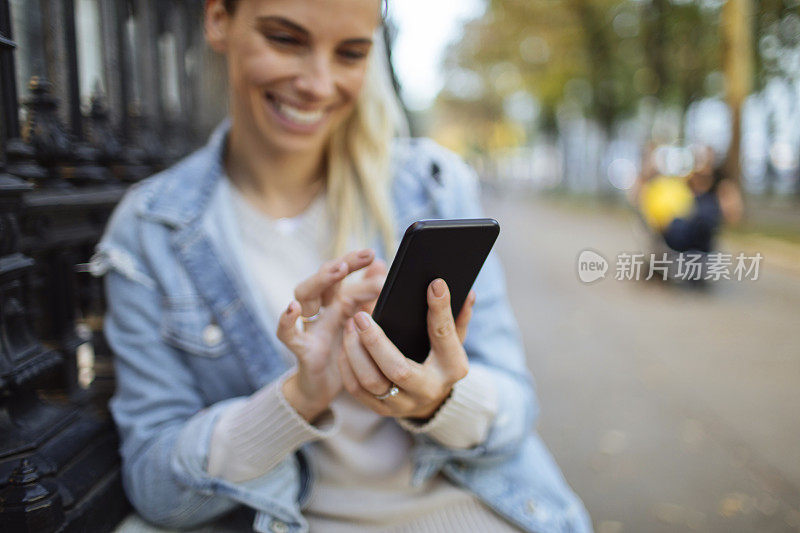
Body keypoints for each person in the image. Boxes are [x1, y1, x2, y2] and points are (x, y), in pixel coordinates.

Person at [90, 0, 592, 531]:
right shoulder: (152, 229)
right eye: (285, 39)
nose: (317, 83)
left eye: (350, 54)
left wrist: (438, 398)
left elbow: (516, 415)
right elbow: (158, 490)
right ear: (218, 20)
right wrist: (297, 398)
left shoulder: (432, 184)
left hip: (473, 508)